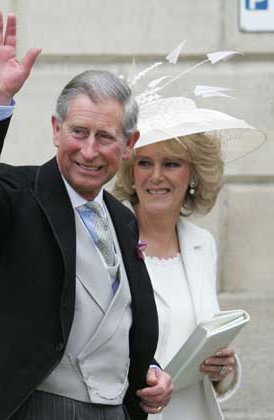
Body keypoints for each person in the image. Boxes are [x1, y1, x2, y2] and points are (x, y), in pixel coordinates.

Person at [0, 9, 173, 420]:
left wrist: (150, 372)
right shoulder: (16, 196)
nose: (89, 151)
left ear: (129, 144)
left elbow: (117, 323)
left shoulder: (124, 220)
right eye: (78, 132)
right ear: (56, 129)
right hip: (37, 406)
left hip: (116, 411)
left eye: (105, 137)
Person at [112, 48, 264, 419]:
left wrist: (223, 369)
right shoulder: (111, 241)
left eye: (172, 164)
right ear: (131, 170)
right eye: (145, 162)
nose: (156, 176)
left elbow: (201, 339)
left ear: (193, 174)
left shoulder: (202, 245)